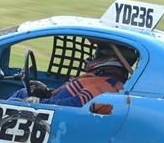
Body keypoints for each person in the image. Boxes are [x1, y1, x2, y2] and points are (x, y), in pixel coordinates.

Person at [8, 43, 139, 107]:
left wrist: (42, 102)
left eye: (98, 55)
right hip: (55, 106)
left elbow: (75, 104)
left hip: (60, 116)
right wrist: (47, 92)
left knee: (14, 103)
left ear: (109, 58)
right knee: (23, 93)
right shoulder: (100, 78)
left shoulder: (106, 84)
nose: (91, 58)